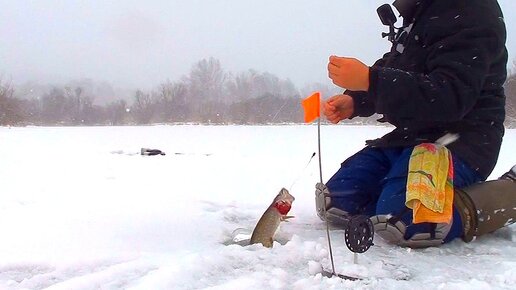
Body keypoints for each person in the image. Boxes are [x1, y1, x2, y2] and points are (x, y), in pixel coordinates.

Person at [315, 0, 516, 248]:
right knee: (338, 202)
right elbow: (400, 65)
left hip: (464, 139)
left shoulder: (473, 11)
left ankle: (508, 193)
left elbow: (449, 96)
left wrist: (372, 81)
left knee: (406, 222)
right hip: (411, 136)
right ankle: (399, 192)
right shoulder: (422, 13)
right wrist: (357, 99)